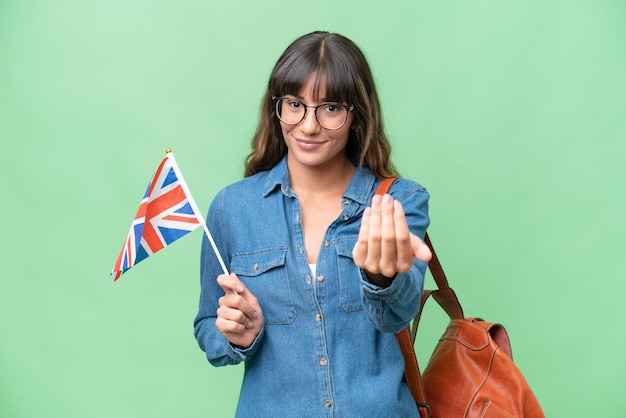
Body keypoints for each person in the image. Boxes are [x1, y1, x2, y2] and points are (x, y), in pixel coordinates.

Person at [194, 31, 432, 417]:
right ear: (277, 108)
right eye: (295, 104)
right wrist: (237, 335)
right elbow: (208, 324)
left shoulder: (397, 203)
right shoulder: (231, 208)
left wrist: (382, 277)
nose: (307, 126)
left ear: (357, 115)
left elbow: (398, 314)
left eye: (331, 108)